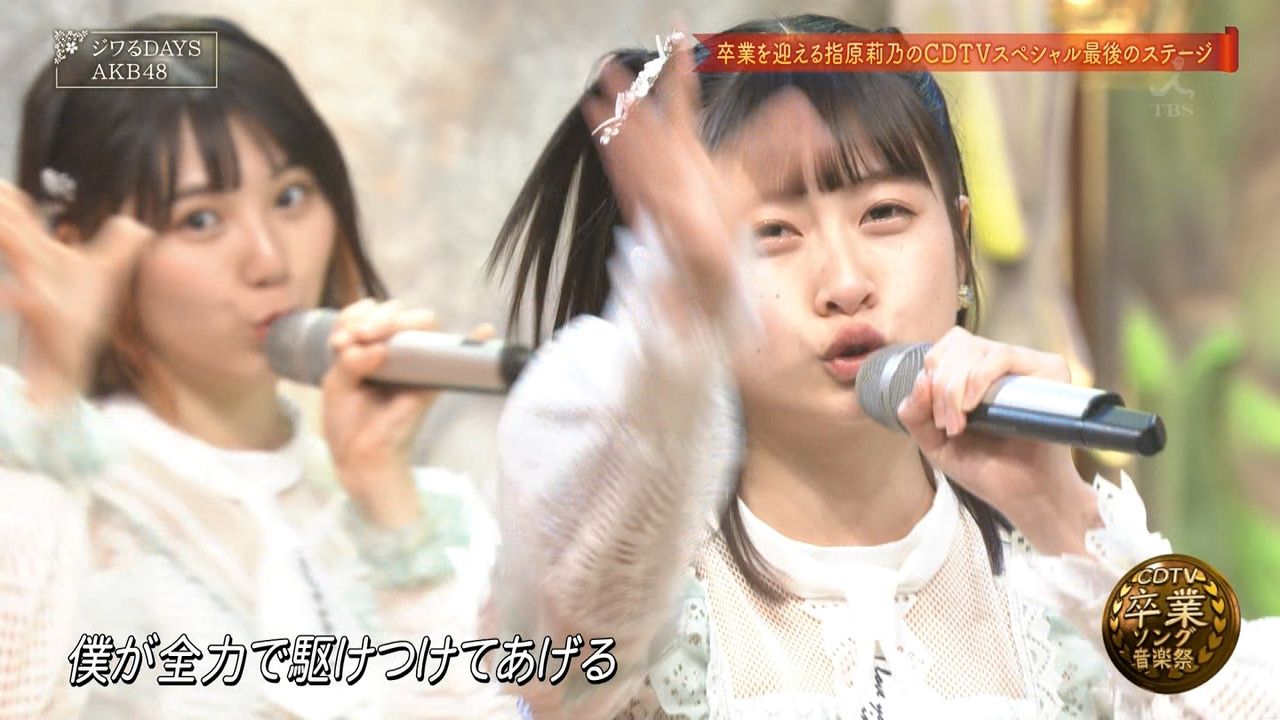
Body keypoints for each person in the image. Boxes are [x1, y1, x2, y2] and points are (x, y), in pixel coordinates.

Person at [484, 15, 1280, 718]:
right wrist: (673, 326)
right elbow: (553, 671)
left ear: (961, 241)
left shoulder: (1063, 588)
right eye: (772, 233)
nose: (845, 282)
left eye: (884, 214)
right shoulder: (639, 580)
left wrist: (1062, 513)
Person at [0, 15, 515, 718]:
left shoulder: (432, 514)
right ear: (78, 249)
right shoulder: (47, 504)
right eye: (200, 220)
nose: (269, 260)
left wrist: (387, 500)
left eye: (290, 197)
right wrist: (50, 390)